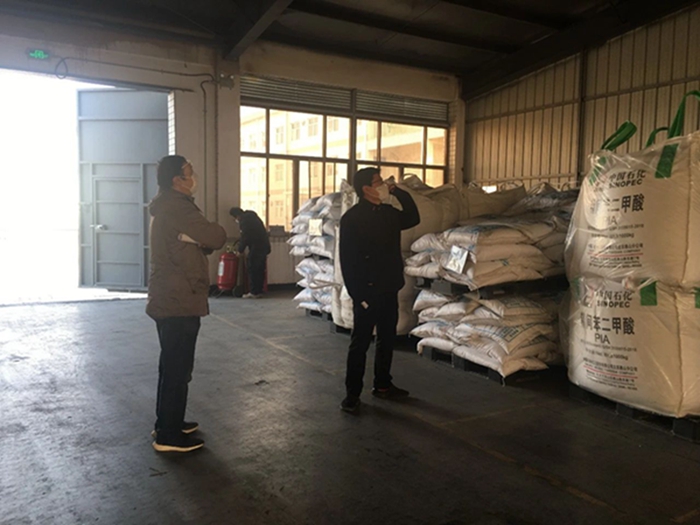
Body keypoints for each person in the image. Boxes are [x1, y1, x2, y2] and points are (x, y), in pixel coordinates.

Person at [146, 155, 227, 453]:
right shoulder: (178, 206)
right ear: (176, 180)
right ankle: (168, 436)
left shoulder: (167, 205)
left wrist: (197, 240)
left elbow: (201, 242)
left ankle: (167, 422)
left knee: (171, 365)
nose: (193, 179)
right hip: (178, 298)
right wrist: (205, 236)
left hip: (170, 295)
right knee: (178, 368)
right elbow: (215, 236)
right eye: (189, 173)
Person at [339, 167, 420, 413]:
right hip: (367, 291)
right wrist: (358, 295)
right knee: (360, 343)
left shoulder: (388, 213)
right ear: (366, 189)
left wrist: (399, 192)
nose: (384, 184)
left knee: (386, 339)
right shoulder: (352, 218)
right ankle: (352, 394)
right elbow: (347, 260)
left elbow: (413, 218)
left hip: (389, 286)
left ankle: (383, 384)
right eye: (379, 182)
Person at [229, 207, 271, 298]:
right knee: (260, 269)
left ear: (237, 216)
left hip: (256, 247)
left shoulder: (244, 221)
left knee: (253, 268)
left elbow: (245, 237)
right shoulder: (253, 217)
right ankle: (259, 291)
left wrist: (240, 250)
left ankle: (254, 292)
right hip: (263, 246)